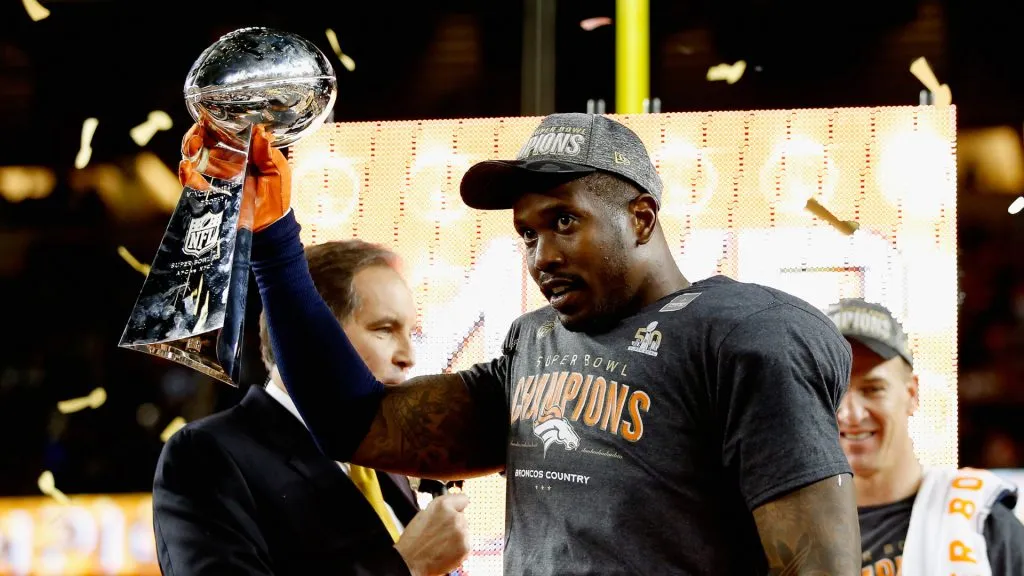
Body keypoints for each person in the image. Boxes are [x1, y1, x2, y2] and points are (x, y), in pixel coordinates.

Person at [187, 113, 861, 575]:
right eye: (529, 233)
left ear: (641, 218)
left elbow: (816, 565)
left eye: (564, 221)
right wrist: (274, 238)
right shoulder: (535, 342)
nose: (542, 254)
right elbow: (353, 424)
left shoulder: (746, 333)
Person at [153, 125, 471, 576]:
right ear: (307, 331)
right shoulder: (208, 455)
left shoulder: (387, 458)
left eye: (410, 332)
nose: (408, 356)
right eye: (384, 329)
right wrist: (406, 567)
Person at [828, 298, 1024, 576]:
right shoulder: (782, 528)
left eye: (872, 389)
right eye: (832, 391)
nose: (850, 413)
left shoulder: (977, 518)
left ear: (912, 394)